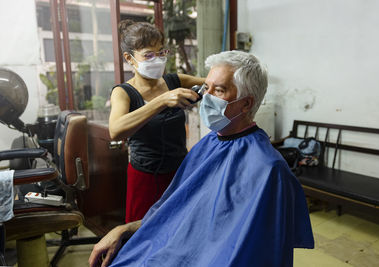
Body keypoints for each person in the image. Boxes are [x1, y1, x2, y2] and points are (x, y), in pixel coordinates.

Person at [90, 50, 314, 267]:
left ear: (246, 103)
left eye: (219, 90)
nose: (206, 97)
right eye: (206, 87)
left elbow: (253, 252)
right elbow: (174, 211)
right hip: (178, 247)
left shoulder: (268, 169)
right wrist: (125, 228)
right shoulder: (207, 145)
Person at [110, 19, 205, 223]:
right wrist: (162, 100)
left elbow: (213, 83)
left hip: (179, 172)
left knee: (178, 227)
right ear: (129, 58)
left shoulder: (174, 81)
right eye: (149, 55)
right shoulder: (124, 93)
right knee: (141, 234)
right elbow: (115, 130)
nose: (158, 59)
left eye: (161, 52)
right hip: (145, 177)